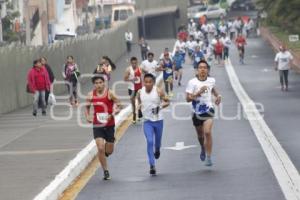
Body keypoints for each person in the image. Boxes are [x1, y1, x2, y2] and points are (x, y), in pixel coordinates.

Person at [85, 75, 123, 180]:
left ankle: (106, 152)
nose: (98, 85)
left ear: (104, 83)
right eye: (96, 83)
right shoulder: (90, 95)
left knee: (109, 151)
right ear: (94, 84)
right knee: (100, 147)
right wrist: (87, 116)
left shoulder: (110, 93)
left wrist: (114, 112)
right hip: (97, 125)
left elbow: (120, 104)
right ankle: (105, 171)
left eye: (100, 83)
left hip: (109, 125)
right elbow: (87, 107)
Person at [186, 60, 222, 166]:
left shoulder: (211, 80)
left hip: (208, 110)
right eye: (200, 67)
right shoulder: (192, 82)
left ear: (207, 70)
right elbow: (188, 99)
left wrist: (218, 96)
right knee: (200, 136)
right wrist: (198, 93)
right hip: (196, 112)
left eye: (205, 67)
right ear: (197, 70)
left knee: (207, 132)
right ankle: (202, 147)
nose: (203, 69)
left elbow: (214, 90)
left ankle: (209, 157)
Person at [137, 73, 170, 175]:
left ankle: (157, 149)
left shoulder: (158, 91)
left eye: (150, 82)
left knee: (157, 143)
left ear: (153, 82)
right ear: (143, 82)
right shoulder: (140, 92)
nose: (148, 84)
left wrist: (159, 107)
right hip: (147, 122)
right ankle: (152, 165)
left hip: (159, 121)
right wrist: (139, 109)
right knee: (150, 141)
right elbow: (139, 102)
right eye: (146, 82)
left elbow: (167, 101)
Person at [124, 57, 143, 124]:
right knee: (133, 102)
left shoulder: (140, 68)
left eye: (135, 63)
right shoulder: (128, 70)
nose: (134, 64)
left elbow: (142, 76)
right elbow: (125, 79)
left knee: (139, 100)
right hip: (131, 88)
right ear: (131, 63)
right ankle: (134, 114)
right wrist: (131, 80)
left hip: (139, 87)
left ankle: (140, 111)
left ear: (137, 62)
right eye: (133, 63)